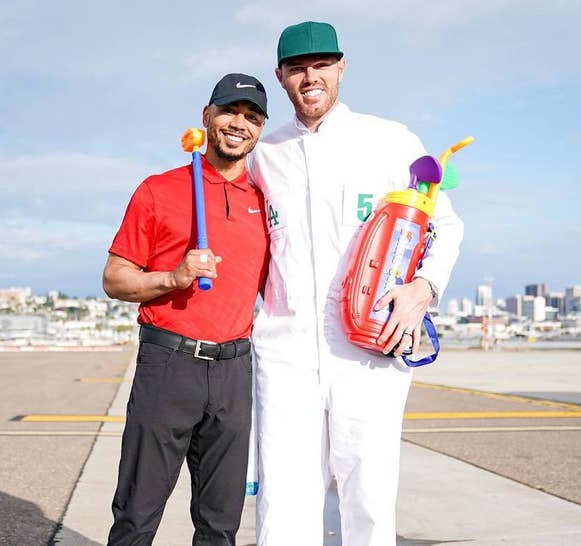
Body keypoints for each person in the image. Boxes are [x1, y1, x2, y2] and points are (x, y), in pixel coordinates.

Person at [247, 22, 464, 546]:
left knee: (367, 494)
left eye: (321, 65)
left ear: (342, 67)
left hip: (369, 347)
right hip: (285, 350)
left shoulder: (390, 140)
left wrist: (423, 290)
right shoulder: (263, 154)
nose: (310, 77)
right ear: (280, 77)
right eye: (297, 69)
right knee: (284, 500)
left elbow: (446, 225)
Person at [103, 73, 270, 546]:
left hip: (236, 369)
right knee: (137, 513)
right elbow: (114, 279)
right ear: (207, 116)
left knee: (221, 524)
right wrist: (173, 277)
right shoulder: (159, 190)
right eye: (230, 112)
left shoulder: (265, 199)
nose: (240, 124)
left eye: (252, 117)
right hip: (169, 364)